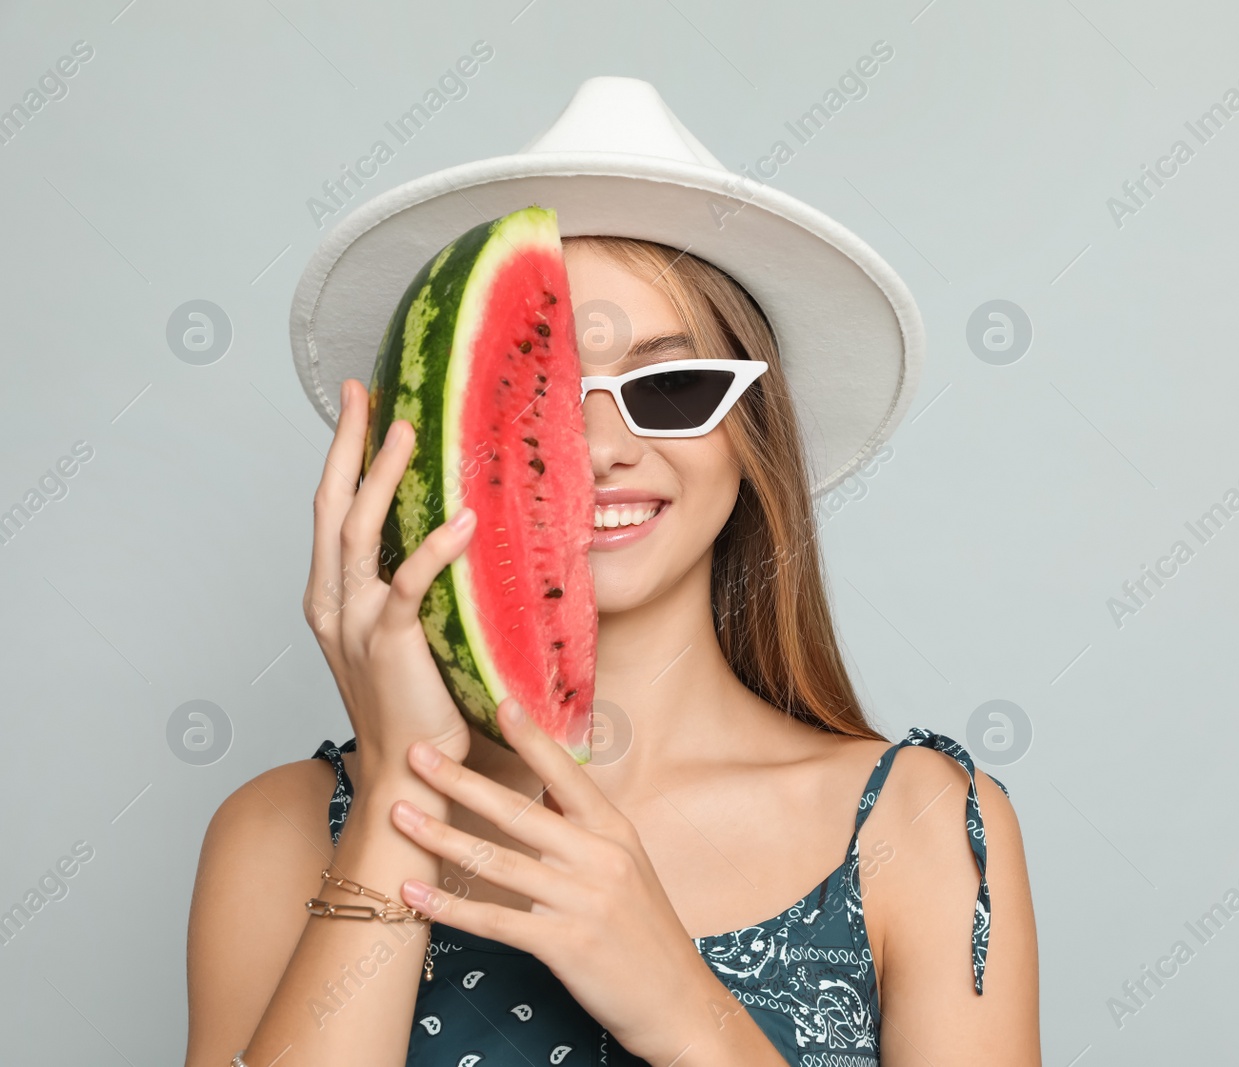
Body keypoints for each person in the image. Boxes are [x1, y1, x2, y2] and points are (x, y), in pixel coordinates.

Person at [185, 78, 1041, 1067]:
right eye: (534, 403)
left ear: (750, 438)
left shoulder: (920, 823)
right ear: (423, 461)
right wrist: (393, 799)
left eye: (669, 386)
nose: (595, 448)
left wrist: (681, 1003)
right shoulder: (281, 831)